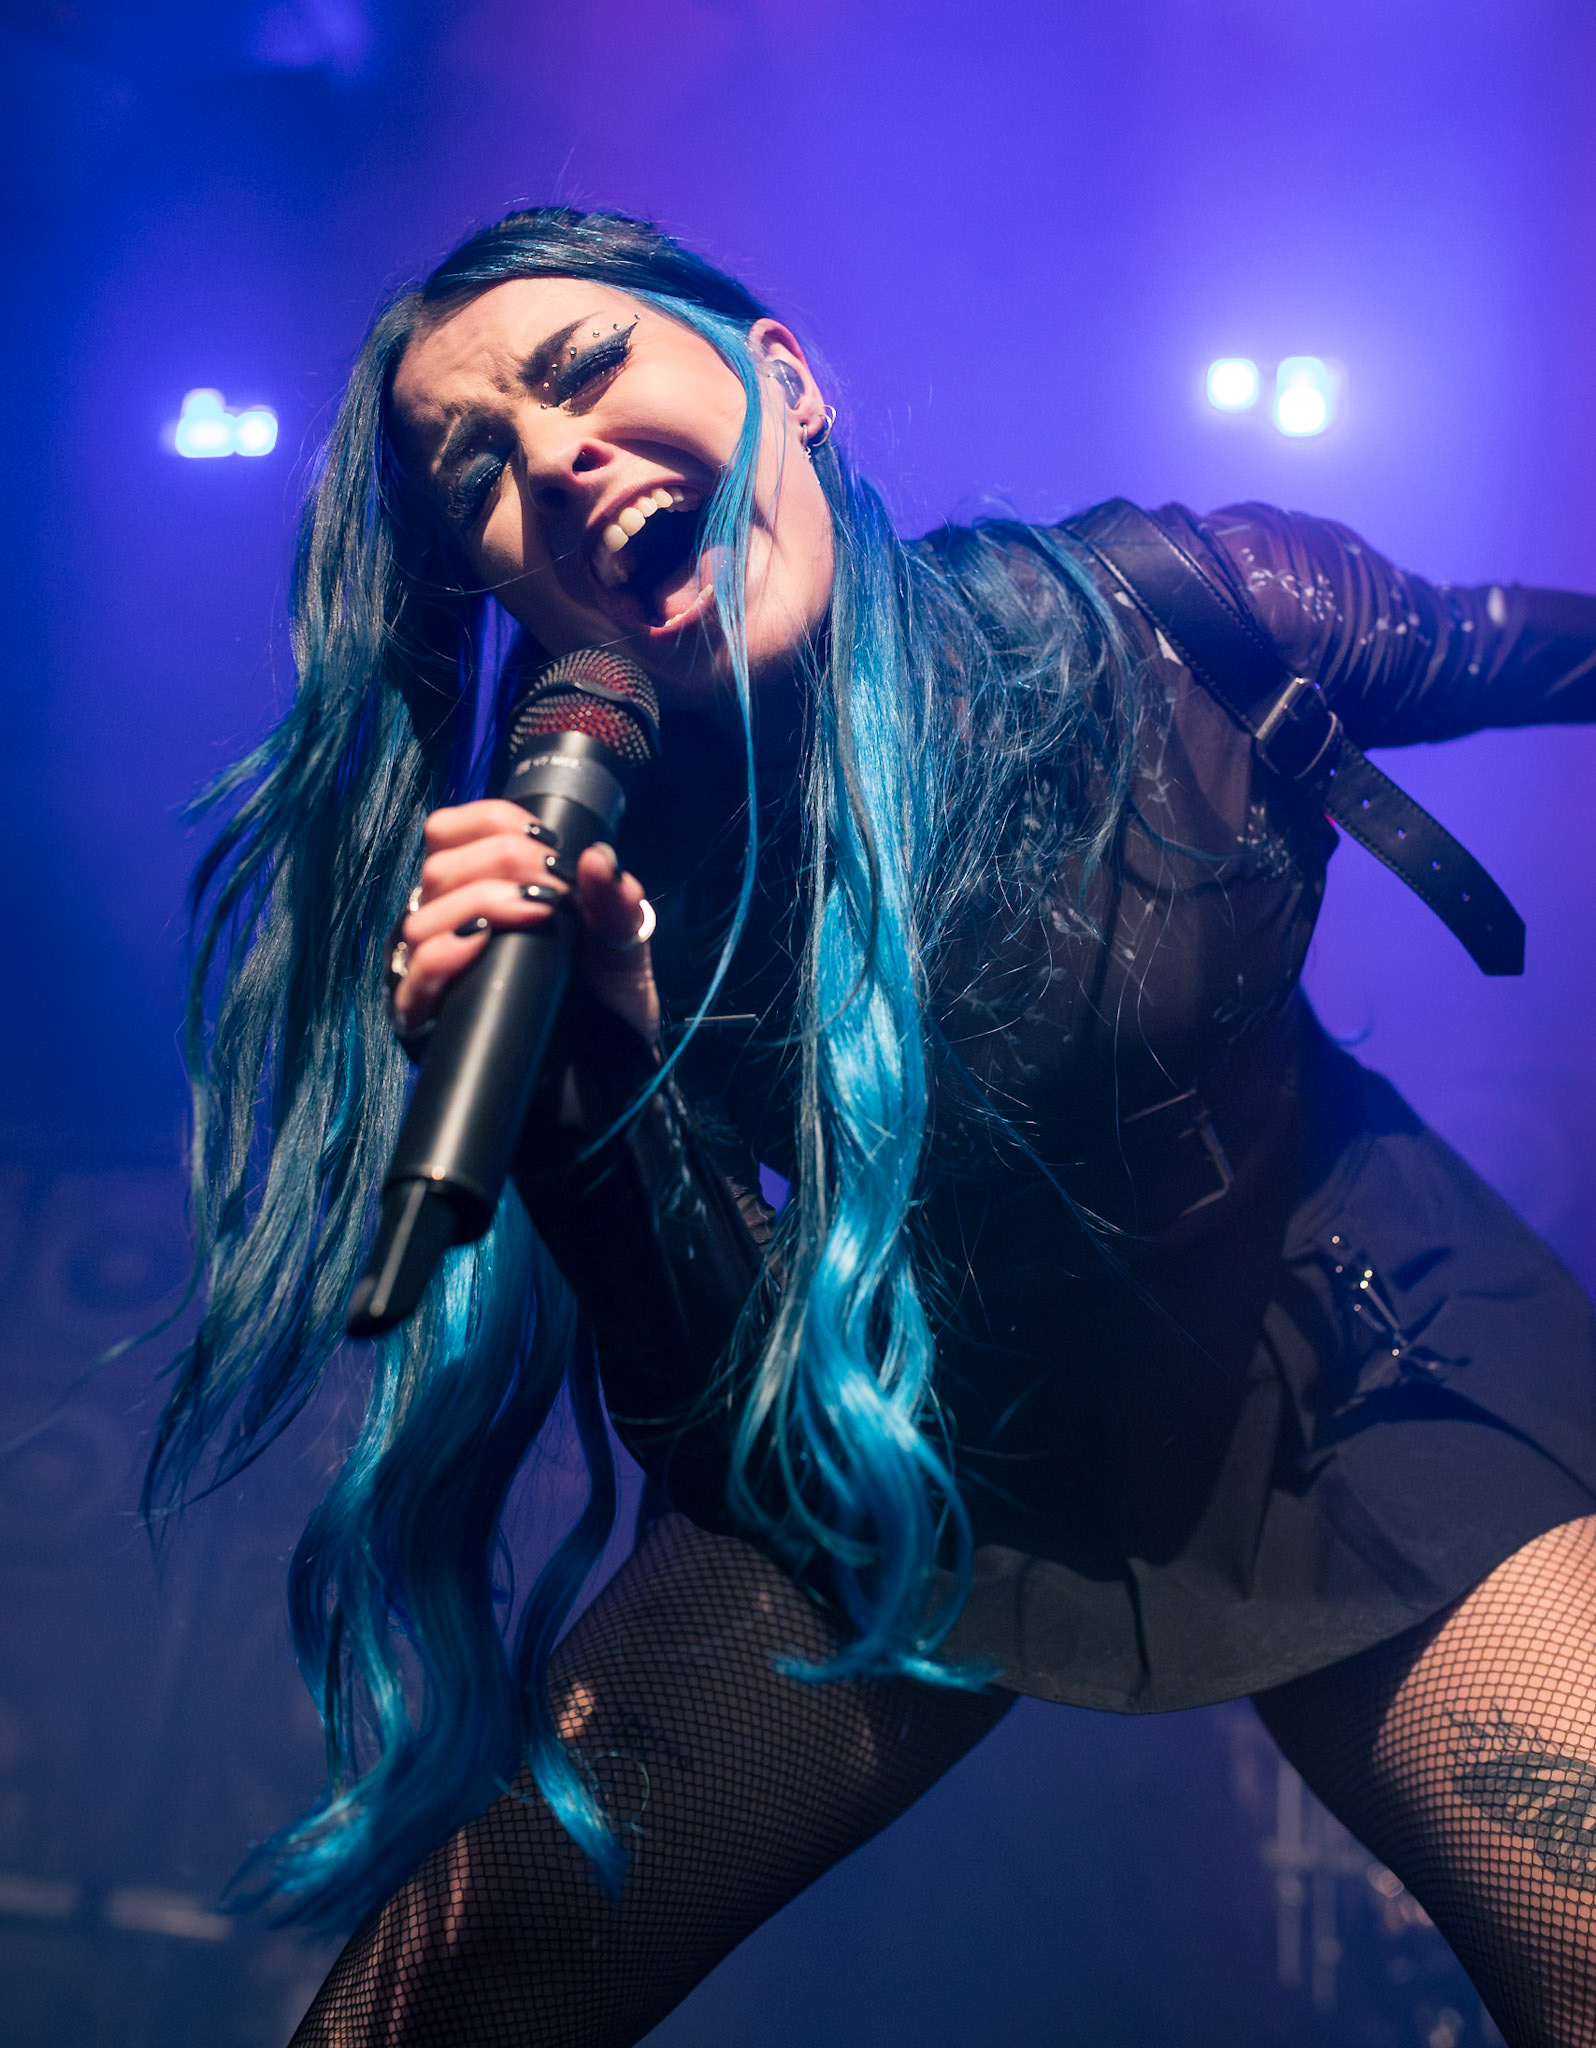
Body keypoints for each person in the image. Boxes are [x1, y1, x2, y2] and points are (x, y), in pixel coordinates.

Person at [149, 206, 1596, 2047]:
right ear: (504, 595)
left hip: (1338, 1349)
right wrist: (583, 1098)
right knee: (425, 2018)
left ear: (785, 379)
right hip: (904, 1427)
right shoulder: (595, 876)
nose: (558, 456)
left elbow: (1533, 649)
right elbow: (722, 1428)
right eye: (482, 476)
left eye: (588, 372)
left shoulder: (1168, 612)